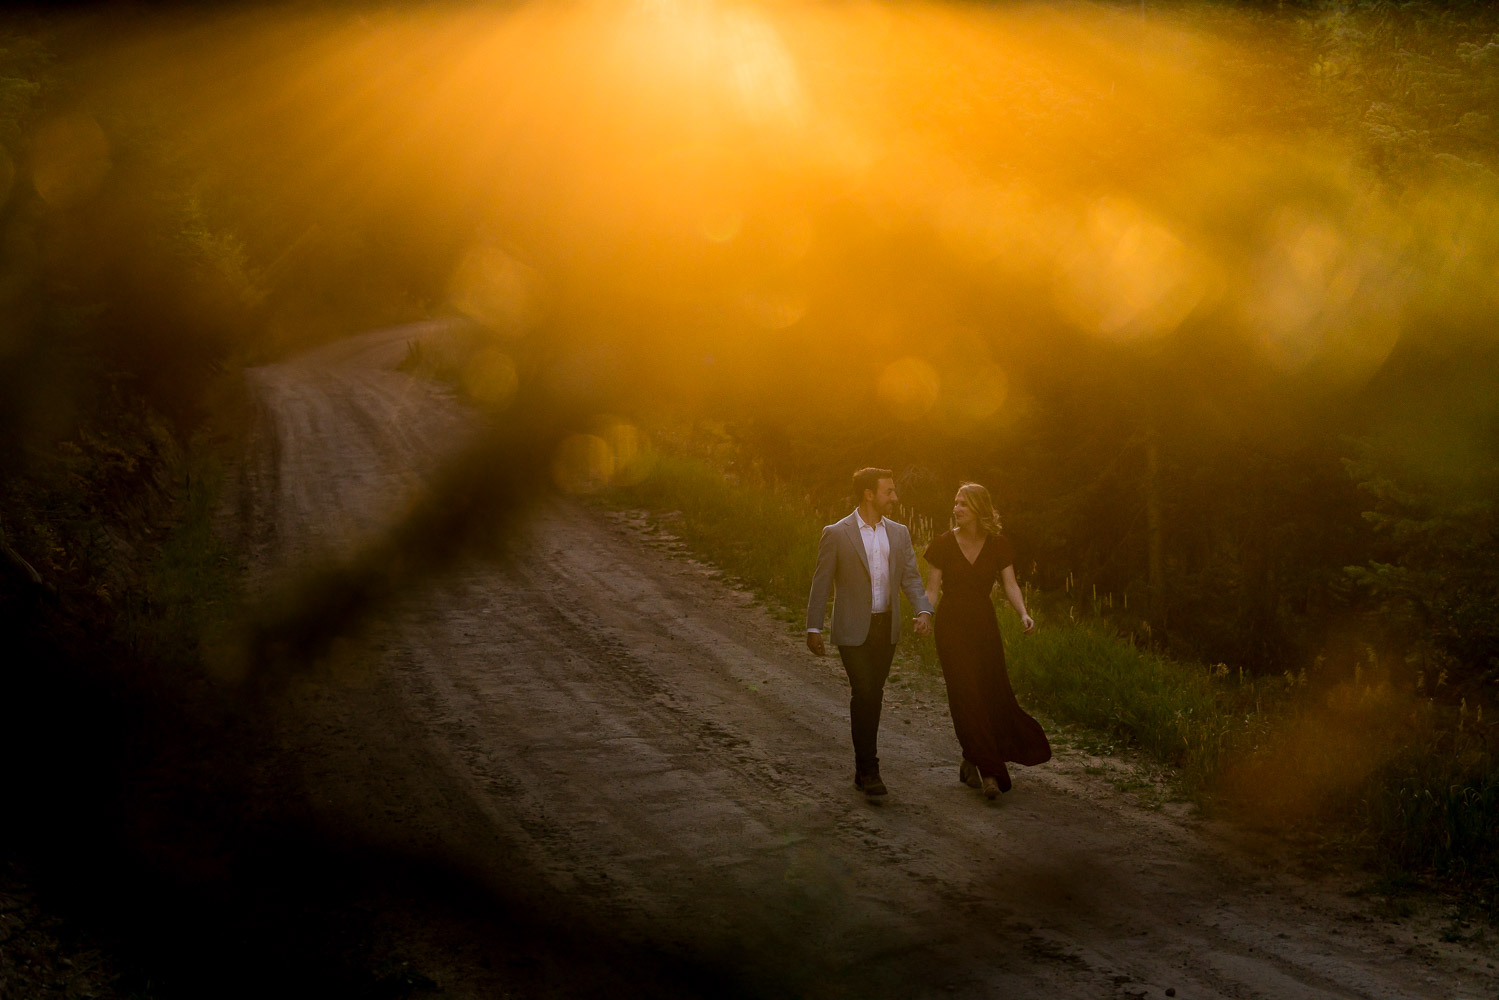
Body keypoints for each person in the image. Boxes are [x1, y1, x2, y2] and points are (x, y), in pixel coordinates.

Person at [806, 468, 933, 797]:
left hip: (885, 628)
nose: (894, 497)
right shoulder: (836, 533)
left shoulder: (900, 533)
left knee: (873, 695)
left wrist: (923, 609)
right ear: (868, 494)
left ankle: (864, 768)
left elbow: (911, 577)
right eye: (889, 491)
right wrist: (813, 626)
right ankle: (868, 767)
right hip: (851, 629)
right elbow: (821, 584)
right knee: (863, 692)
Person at [922, 482, 1050, 800]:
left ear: (978, 509)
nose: (956, 508)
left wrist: (1023, 613)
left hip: (984, 627)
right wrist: (924, 614)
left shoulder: (998, 544)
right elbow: (932, 589)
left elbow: (1010, 585)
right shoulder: (942, 543)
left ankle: (971, 759)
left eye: (963, 504)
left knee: (989, 694)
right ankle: (990, 771)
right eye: (955, 502)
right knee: (965, 693)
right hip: (951, 627)